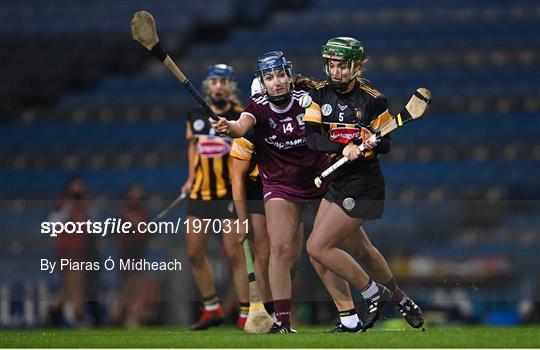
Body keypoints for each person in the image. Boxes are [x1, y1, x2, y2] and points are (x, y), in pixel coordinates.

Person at [304, 37, 424, 331]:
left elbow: (386, 146)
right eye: (332, 65)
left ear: (356, 66)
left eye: (342, 66)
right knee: (359, 252)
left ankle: (372, 292)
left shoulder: (373, 100)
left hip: (364, 185)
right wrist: (342, 147)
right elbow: (311, 139)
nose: (336, 72)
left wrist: (371, 140)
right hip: (338, 180)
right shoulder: (318, 96)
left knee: (318, 247)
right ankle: (391, 302)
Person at [210, 51, 331, 333]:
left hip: (306, 182)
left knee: (294, 257)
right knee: (270, 252)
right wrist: (241, 220)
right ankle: (272, 315)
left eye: (280, 76)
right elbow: (238, 177)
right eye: (269, 79)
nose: (276, 84)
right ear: (261, 87)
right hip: (266, 188)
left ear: (288, 77)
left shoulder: (303, 102)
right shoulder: (253, 122)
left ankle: (293, 310)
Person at [180, 64, 249, 330]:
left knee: (235, 254)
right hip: (200, 194)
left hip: (228, 194)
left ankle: (245, 313)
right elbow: (193, 150)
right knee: (194, 251)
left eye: (223, 82)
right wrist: (189, 179)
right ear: (207, 86)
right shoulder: (195, 115)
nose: (218, 86)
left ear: (231, 86)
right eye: (214, 82)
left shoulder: (240, 116)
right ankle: (212, 308)